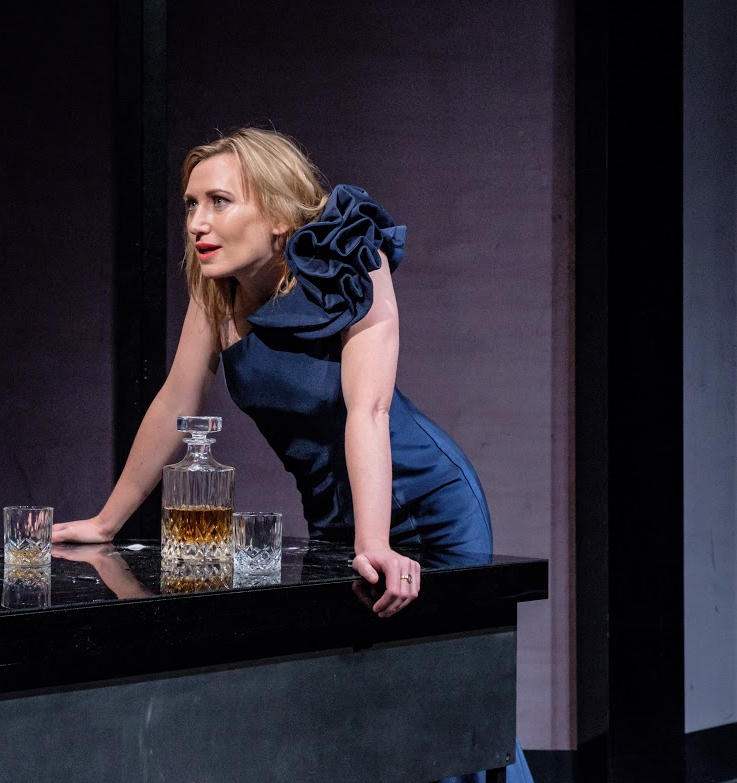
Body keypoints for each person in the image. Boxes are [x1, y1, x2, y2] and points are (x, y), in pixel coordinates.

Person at [55, 127, 533, 782]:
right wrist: (106, 521)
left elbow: (369, 411)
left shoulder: (352, 259)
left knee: (450, 704)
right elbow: (174, 405)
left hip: (425, 506)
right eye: (190, 204)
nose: (197, 222)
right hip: (338, 519)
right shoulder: (217, 291)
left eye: (219, 201)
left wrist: (375, 541)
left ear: (279, 214)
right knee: (368, 706)